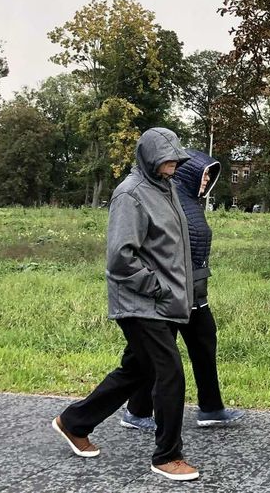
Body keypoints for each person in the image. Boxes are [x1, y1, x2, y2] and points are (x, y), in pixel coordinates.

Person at [51, 128, 200, 482]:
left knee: (138, 371)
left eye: (176, 159)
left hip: (163, 302)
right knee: (170, 374)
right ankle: (167, 456)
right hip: (140, 303)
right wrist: (159, 287)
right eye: (166, 159)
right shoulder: (130, 195)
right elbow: (120, 258)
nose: (173, 165)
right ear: (147, 156)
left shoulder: (166, 189)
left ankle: (73, 422)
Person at [120, 148, 245, 431]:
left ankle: (211, 408)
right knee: (150, 358)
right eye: (203, 175)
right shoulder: (169, 200)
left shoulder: (189, 203)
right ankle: (135, 411)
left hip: (195, 293)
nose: (206, 181)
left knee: (203, 345)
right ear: (189, 173)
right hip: (171, 293)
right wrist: (158, 287)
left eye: (210, 177)